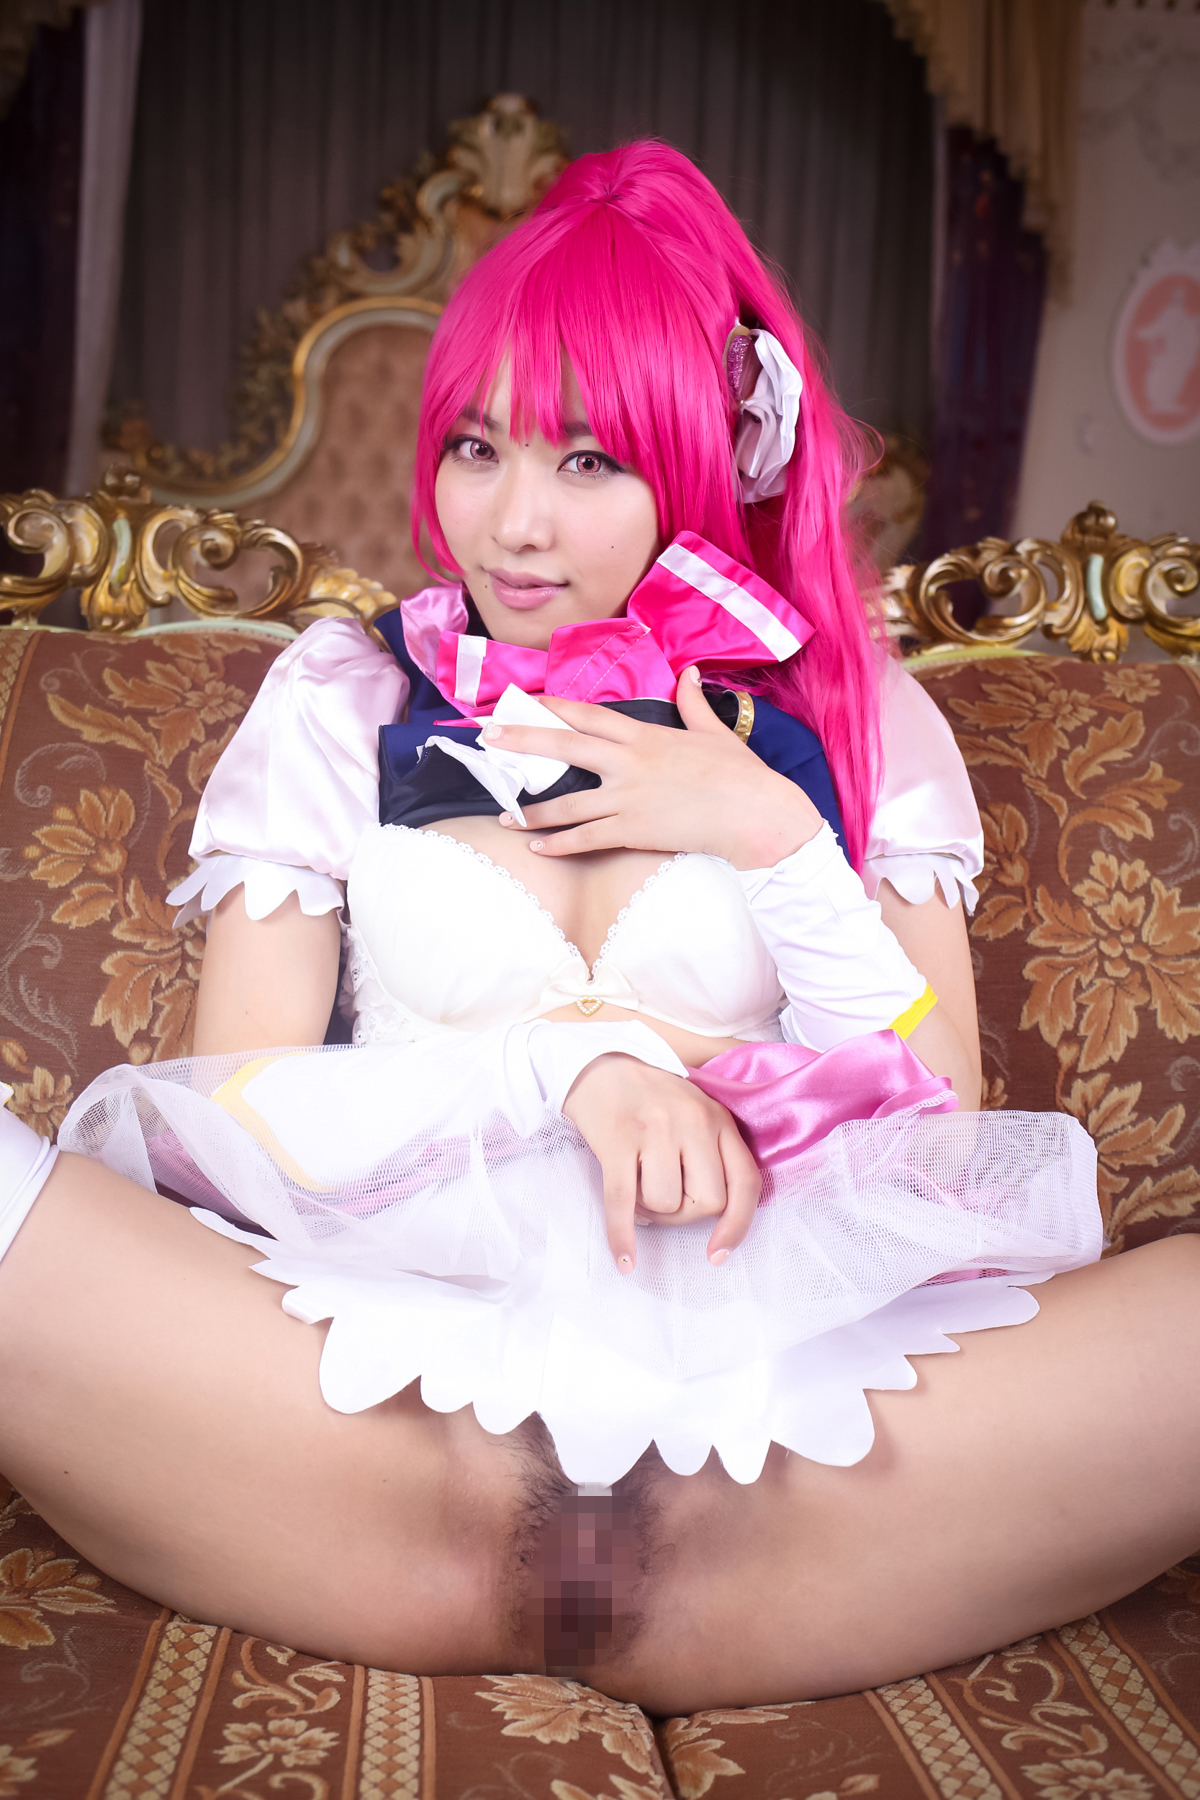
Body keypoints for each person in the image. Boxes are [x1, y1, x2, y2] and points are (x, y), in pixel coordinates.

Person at [0, 143, 1198, 1716]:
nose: (513, 524)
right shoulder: (345, 702)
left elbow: (941, 1133)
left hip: (781, 1447)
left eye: (587, 461)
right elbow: (227, 1124)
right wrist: (571, 1070)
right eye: (477, 446)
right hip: (368, 1428)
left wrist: (776, 841)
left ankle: (678, 1583)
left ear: (700, 467)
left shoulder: (855, 724)